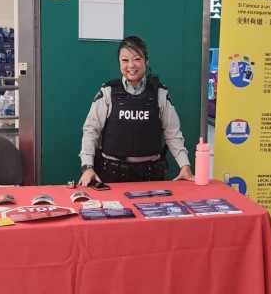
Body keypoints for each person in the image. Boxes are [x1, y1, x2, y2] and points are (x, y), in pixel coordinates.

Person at [78, 35, 195, 186]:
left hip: (150, 178)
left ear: (146, 60)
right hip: (111, 178)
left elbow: (172, 133)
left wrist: (185, 166)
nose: (131, 65)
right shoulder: (108, 92)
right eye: (125, 60)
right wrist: (87, 167)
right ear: (119, 63)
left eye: (137, 59)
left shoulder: (160, 93)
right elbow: (91, 131)